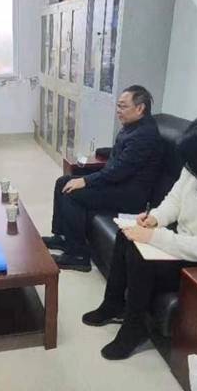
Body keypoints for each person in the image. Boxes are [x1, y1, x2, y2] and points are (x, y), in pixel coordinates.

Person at [82, 115, 197, 360]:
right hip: (188, 242)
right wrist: (155, 218)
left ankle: (134, 327)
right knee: (126, 236)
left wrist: (154, 237)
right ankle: (113, 304)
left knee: (140, 259)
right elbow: (175, 200)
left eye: (195, 164)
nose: (190, 169)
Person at [42, 85, 164, 271]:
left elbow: (119, 170)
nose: (118, 110)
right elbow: (122, 155)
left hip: (129, 194)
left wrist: (86, 180)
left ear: (140, 108)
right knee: (63, 182)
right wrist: (102, 152)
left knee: (72, 193)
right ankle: (63, 238)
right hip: (118, 183)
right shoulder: (134, 127)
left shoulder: (145, 135)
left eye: (123, 106)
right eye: (118, 106)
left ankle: (78, 255)